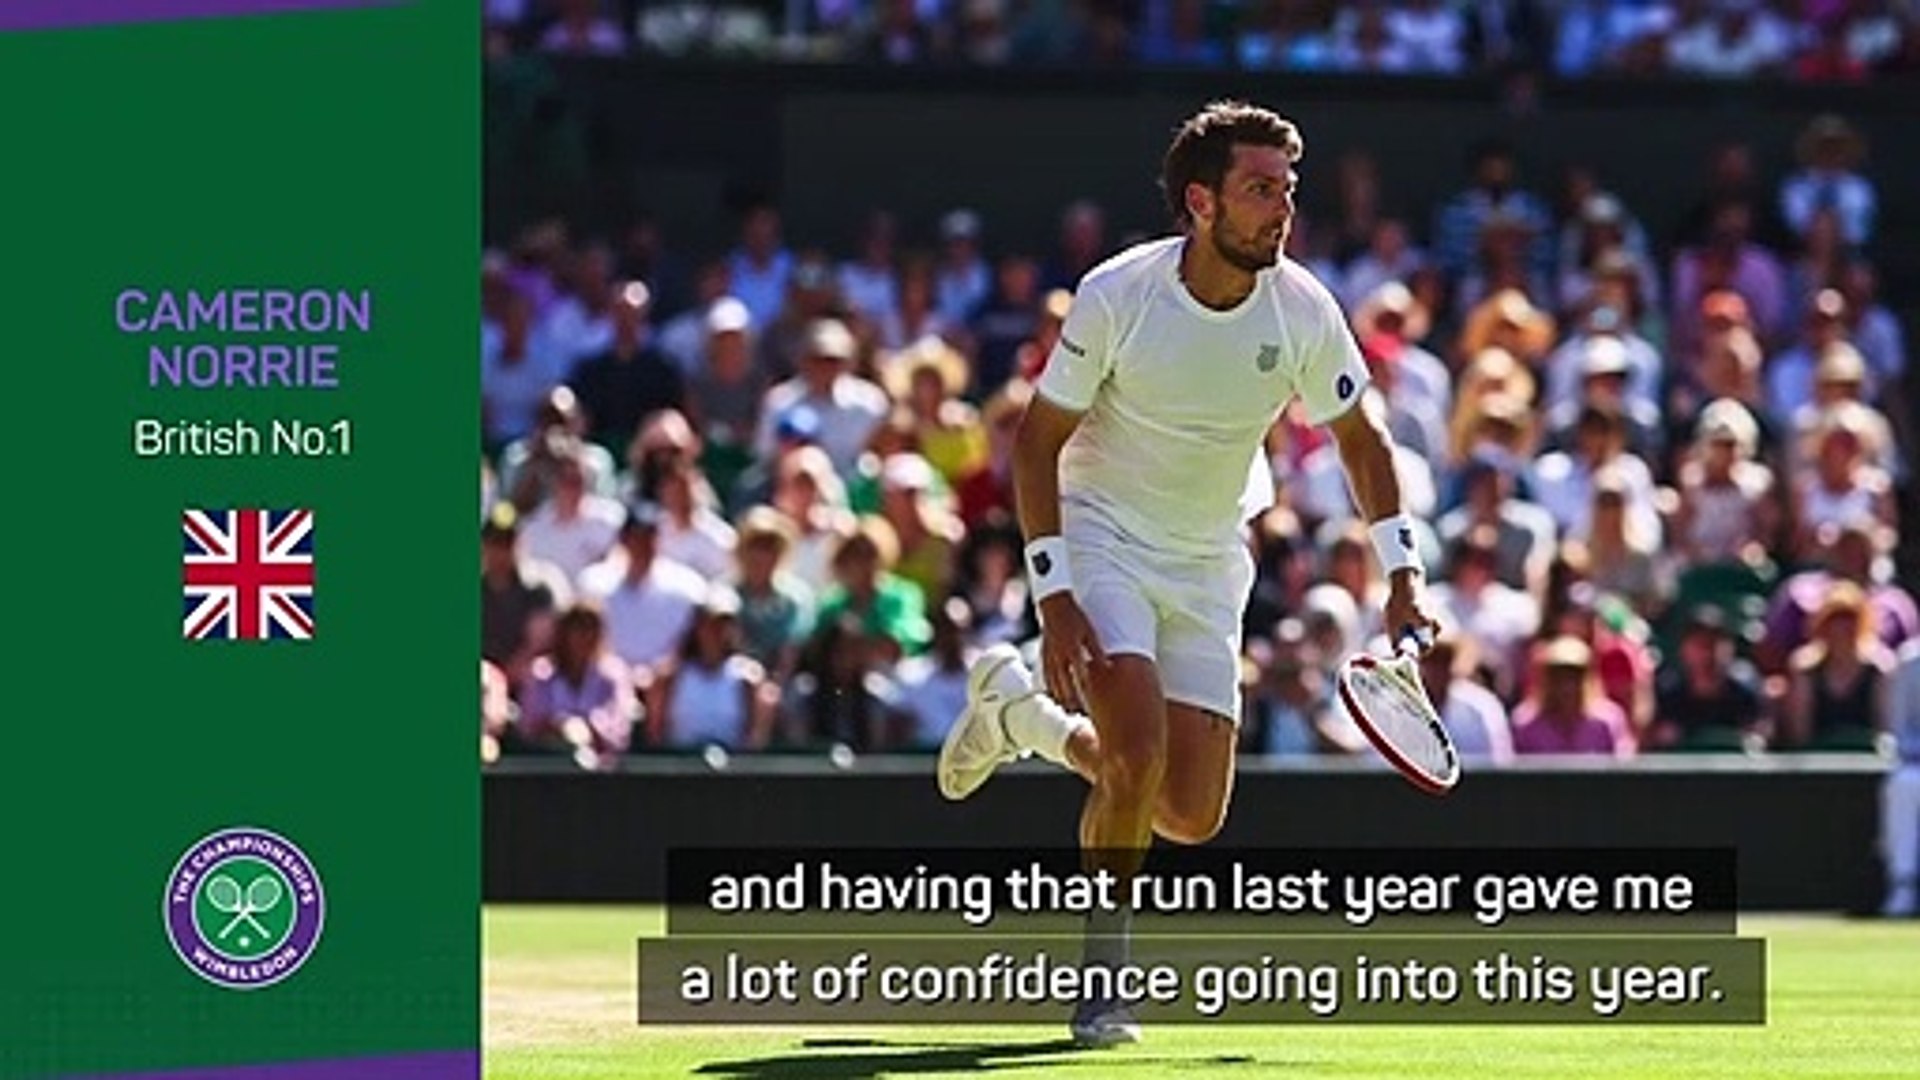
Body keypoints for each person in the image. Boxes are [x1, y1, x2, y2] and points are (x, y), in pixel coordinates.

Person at [933, 100, 1441, 1045]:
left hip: (1211, 555)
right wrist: (1055, 596)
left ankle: (1022, 718)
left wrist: (1402, 572)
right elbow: (1036, 445)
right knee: (1131, 755)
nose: (1281, 209)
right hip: (1101, 532)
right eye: (1259, 189)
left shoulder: (1304, 308)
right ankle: (1103, 985)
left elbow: (1363, 445)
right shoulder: (1116, 294)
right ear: (1200, 203)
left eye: (1287, 189)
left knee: (1188, 813)